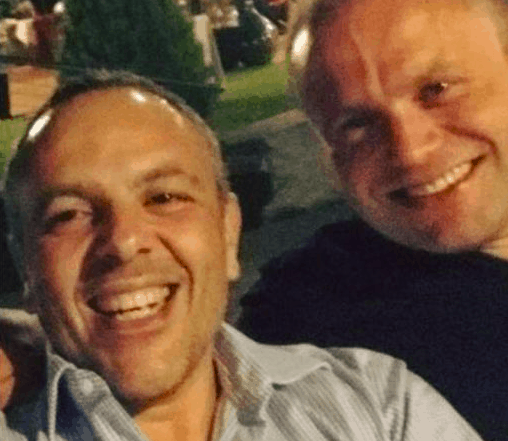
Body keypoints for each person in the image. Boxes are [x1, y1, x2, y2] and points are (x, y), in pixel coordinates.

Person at [0, 70, 482, 441]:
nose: (124, 241)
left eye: (164, 197)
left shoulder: (377, 403)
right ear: (26, 266)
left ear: (228, 232)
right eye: (68, 215)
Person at [237, 0, 508, 440]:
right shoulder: (308, 331)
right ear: (329, 156)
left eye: (436, 89)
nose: (410, 151)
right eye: (357, 124)